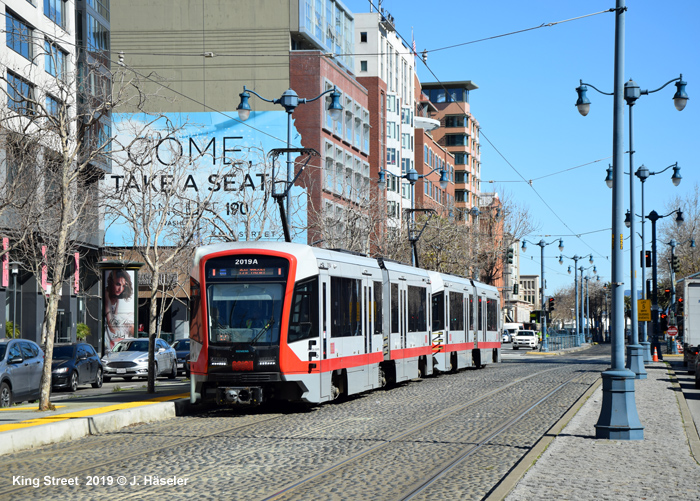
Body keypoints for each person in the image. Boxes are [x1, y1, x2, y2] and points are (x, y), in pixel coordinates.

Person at [105, 270, 135, 348]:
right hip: (107, 328)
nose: (120, 289)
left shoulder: (117, 297)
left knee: (131, 326)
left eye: (123, 286)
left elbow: (115, 316)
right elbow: (110, 325)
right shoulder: (106, 294)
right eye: (118, 284)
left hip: (113, 324)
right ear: (111, 283)